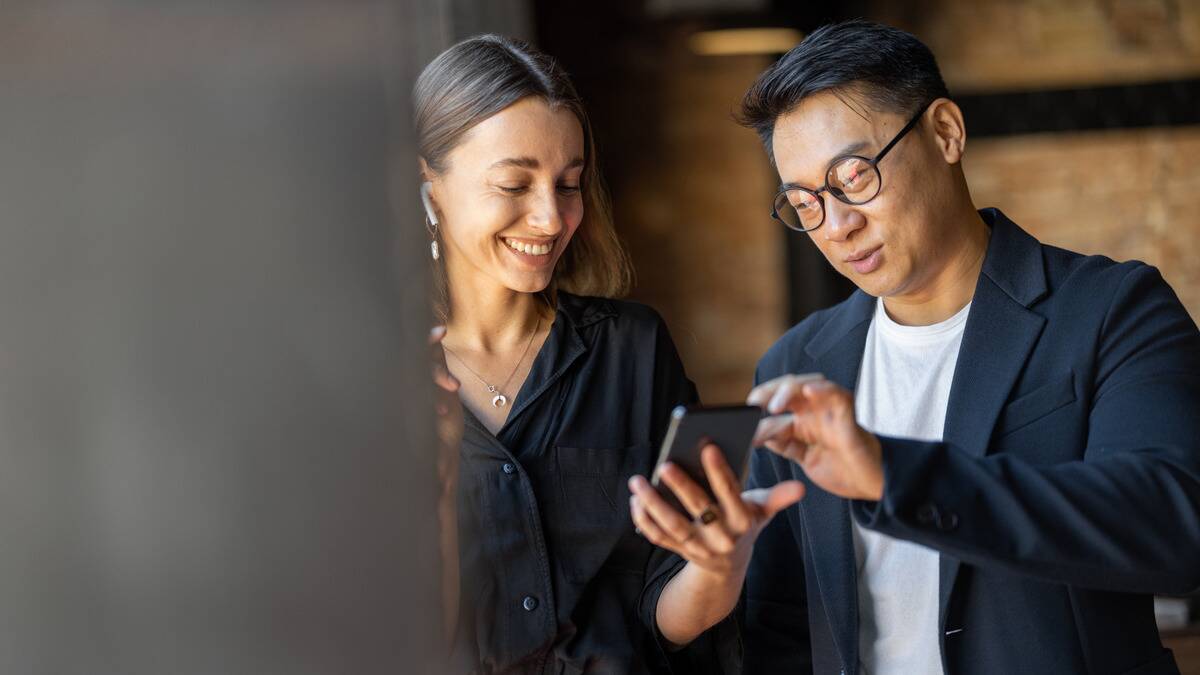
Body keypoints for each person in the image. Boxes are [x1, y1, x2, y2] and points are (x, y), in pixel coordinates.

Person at [629, 19, 1200, 674]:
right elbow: (785, 627)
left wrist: (889, 473)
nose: (838, 225)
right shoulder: (795, 363)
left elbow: (1174, 525)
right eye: (805, 203)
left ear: (945, 132)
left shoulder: (1111, 309)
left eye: (854, 175)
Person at [417, 35, 733, 673]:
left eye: (569, 184)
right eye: (513, 183)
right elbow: (404, 636)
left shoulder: (633, 349)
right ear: (429, 190)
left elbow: (665, 621)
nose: (550, 218)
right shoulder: (381, 377)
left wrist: (719, 563)